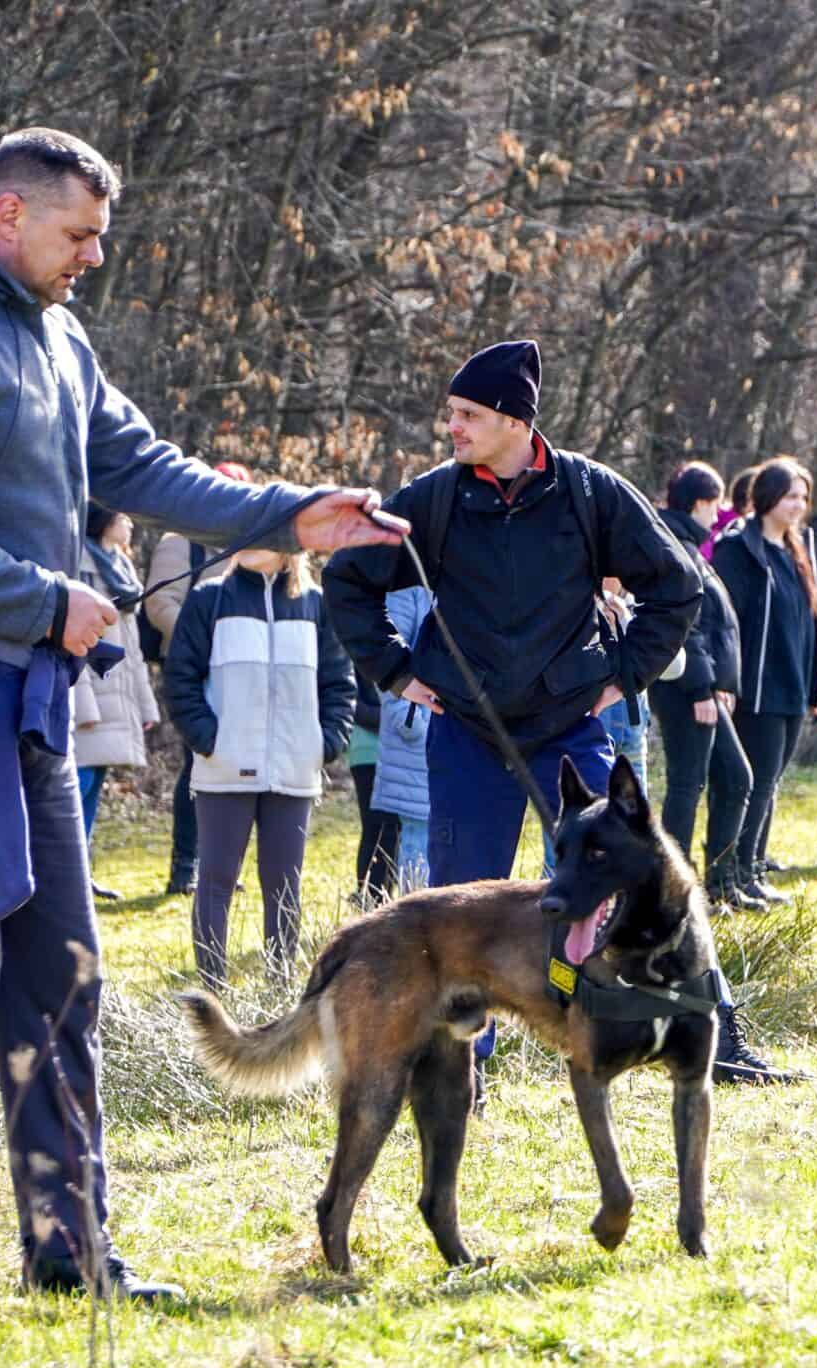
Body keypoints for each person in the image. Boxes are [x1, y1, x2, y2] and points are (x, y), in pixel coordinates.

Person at [0, 126, 404, 1315]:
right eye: (79, 235)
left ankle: (71, 1255)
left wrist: (296, 514)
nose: (92, 257)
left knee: (63, 983)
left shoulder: (57, 338)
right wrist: (44, 596)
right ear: (9, 217)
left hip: (28, 711)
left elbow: (148, 467)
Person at [323, 341, 788, 1085]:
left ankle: (715, 1038)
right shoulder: (434, 498)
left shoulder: (591, 492)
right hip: (467, 734)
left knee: (643, 871)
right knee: (458, 904)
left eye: (468, 415)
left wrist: (623, 676)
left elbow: (677, 586)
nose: (454, 428)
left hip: (570, 729)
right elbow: (347, 581)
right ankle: (458, 1070)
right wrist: (396, 671)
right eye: (451, 414)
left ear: (514, 420)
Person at [165, 532, 355, 984]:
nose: (248, 538)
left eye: (264, 529)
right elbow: (180, 679)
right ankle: (213, 992)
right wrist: (210, 740)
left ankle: (278, 988)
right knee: (215, 883)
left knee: (284, 887)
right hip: (224, 770)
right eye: (244, 527)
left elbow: (339, 683)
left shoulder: (316, 603)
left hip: (293, 772)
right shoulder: (208, 598)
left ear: (291, 542)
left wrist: (324, 743)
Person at [717, 458, 817, 907]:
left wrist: (816, 684)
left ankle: (753, 866)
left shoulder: (797, 548)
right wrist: (727, 678)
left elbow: (810, 621)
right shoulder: (740, 549)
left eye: (803, 498)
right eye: (790, 497)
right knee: (756, 779)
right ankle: (734, 872)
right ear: (767, 498)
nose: (798, 506)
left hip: (791, 685)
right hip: (757, 689)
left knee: (771, 781)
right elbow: (728, 621)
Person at [652, 462, 758, 908]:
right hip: (686, 691)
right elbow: (685, 624)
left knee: (733, 779)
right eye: (714, 504)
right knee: (690, 784)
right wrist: (701, 688)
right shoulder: (677, 546)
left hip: (706, 689)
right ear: (698, 503)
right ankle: (675, 886)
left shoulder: (693, 547)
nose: (719, 513)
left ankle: (719, 882)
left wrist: (721, 683)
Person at [143, 472, 240, 896]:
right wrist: (201, 641)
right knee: (198, 762)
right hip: (193, 668)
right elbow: (159, 602)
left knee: (230, 767)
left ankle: (219, 866)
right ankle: (185, 867)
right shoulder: (180, 541)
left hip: (239, 669)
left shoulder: (249, 546)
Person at [70, 504, 157, 900]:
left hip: (116, 690)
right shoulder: (79, 562)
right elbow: (75, 644)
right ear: (103, 518)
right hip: (90, 694)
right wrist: (83, 704)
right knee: (78, 782)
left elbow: (134, 648)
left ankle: (81, 873)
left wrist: (145, 704)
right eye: (123, 516)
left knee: (95, 780)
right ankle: (66, 873)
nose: (130, 522)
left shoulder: (120, 568)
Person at [374, 586, 435, 889]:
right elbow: (388, 656)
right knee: (419, 864)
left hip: (469, 742)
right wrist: (413, 725)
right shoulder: (408, 587)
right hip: (418, 750)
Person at [345, 668, 397, 907]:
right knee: (376, 827)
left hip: (395, 751)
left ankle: (379, 896)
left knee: (391, 829)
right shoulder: (358, 654)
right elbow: (354, 706)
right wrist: (393, 718)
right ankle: (371, 896)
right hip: (367, 752)